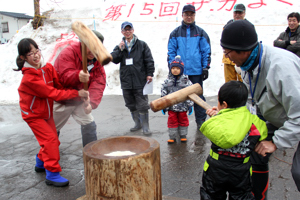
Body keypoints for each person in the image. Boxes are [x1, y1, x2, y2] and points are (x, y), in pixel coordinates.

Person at [221, 20, 300, 199]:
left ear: (244, 50)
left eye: (228, 52)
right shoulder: (247, 64)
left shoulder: (281, 68)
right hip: (277, 115)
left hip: (296, 115)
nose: (227, 57)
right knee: (255, 150)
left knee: (299, 172)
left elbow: (299, 114)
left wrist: (276, 142)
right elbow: (251, 99)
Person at [15, 38, 89, 187]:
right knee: (50, 141)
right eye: (30, 54)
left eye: (37, 51)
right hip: (33, 115)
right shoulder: (29, 78)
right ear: (23, 57)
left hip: (46, 112)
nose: (36, 56)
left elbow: (59, 86)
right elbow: (53, 93)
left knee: (53, 138)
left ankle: (40, 162)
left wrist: (78, 82)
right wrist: (76, 94)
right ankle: (52, 174)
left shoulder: (47, 68)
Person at [200, 81, 268, 200]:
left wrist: (217, 117)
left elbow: (207, 127)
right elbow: (263, 134)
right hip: (241, 171)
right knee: (241, 196)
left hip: (215, 169)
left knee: (211, 195)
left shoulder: (217, 121)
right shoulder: (255, 121)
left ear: (224, 104)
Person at [53, 30, 106, 147]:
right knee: (51, 131)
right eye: (91, 47)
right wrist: (77, 75)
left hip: (80, 100)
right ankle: (48, 157)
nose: (93, 52)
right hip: (62, 99)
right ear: (83, 44)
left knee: (89, 124)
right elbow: (62, 76)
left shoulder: (97, 60)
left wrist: (91, 103)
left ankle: (90, 154)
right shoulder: (68, 52)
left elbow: (98, 82)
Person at [167, 4, 211, 129]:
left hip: (196, 71)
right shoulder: (175, 33)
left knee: (198, 98)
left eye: (191, 14)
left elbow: (206, 51)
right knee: (180, 98)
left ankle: (201, 121)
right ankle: (179, 124)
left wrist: (205, 67)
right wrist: (172, 68)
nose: (189, 16)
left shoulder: (200, 33)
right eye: (186, 14)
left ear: (194, 15)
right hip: (180, 72)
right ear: (182, 15)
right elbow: (171, 52)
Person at [111, 21, 155, 135]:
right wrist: (120, 50)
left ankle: (145, 126)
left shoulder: (142, 45)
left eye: (129, 29)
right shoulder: (120, 46)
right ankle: (137, 123)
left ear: (133, 30)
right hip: (126, 80)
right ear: (122, 31)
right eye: (125, 30)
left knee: (142, 104)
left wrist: (149, 73)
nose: (127, 31)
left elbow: (149, 60)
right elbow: (114, 59)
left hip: (139, 79)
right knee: (130, 103)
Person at [161, 55, 194, 144]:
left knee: (183, 120)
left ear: (181, 69)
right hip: (171, 107)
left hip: (183, 107)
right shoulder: (167, 82)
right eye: (173, 68)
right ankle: (172, 136)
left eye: (177, 68)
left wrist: (190, 105)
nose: (175, 70)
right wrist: (163, 105)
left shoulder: (186, 81)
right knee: (172, 121)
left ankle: (183, 135)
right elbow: (164, 93)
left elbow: (190, 93)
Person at [222, 3, 246, 82]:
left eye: (240, 13)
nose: (237, 15)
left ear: (244, 13)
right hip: (228, 59)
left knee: (244, 82)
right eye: (236, 12)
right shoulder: (227, 27)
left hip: (242, 60)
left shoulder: (248, 27)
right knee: (229, 84)